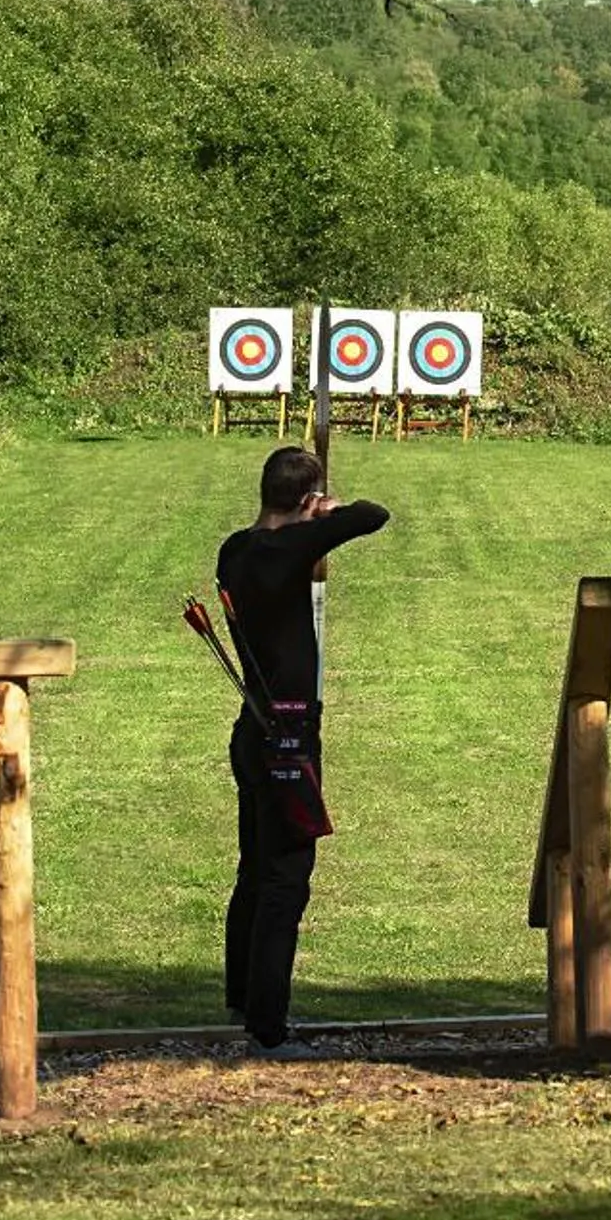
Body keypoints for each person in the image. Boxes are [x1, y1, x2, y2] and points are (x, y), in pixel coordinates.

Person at [215, 445, 389, 1057]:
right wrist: (326, 513)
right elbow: (373, 514)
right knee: (286, 880)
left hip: (251, 729)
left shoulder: (234, 550)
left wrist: (307, 521)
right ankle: (268, 1027)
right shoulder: (289, 548)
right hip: (288, 735)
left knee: (254, 871)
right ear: (308, 495)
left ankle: (242, 1000)